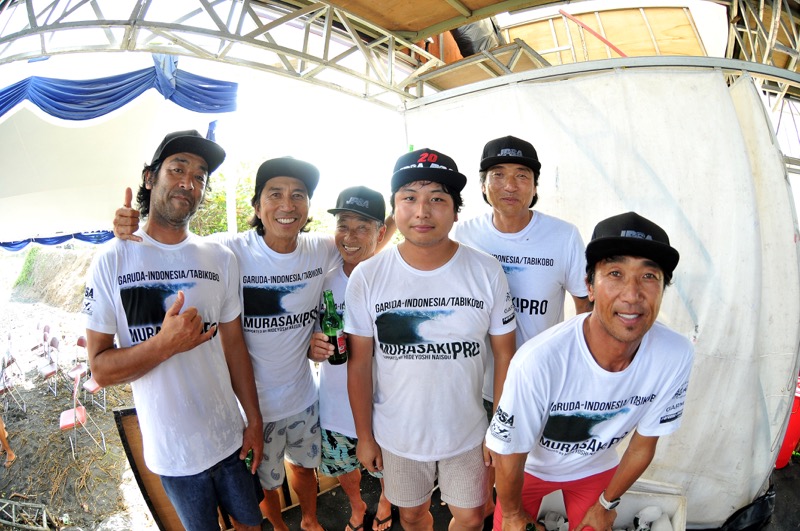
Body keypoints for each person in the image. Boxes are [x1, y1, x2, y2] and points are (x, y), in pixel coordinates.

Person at [113, 156, 345, 531]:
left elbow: (362, 241)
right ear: (257, 205)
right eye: (275, 194)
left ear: (307, 207)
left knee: (305, 469)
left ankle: (309, 520)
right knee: (265, 485)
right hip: (250, 410)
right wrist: (128, 228)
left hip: (304, 397)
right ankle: (280, 527)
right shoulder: (226, 250)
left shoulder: (321, 249)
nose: (287, 205)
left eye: (298, 195)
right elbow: (171, 243)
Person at [84, 130, 264, 531]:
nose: (188, 182)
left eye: (199, 176)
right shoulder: (112, 259)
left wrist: (253, 420)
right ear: (150, 178)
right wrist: (164, 345)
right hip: (174, 455)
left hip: (230, 439)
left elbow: (235, 347)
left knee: (252, 524)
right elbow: (101, 369)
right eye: (177, 169)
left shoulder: (220, 258)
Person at [487, 211, 694, 531]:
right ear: (590, 286)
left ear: (663, 289)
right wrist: (514, 517)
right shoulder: (538, 361)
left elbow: (643, 444)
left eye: (649, 276)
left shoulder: (675, 355)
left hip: (594, 469)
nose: (632, 294)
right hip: (529, 468)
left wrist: (607, 504)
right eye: (615, 273)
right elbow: (510, 453)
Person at [345, 148, 518, 531]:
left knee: (472, 517)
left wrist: (499, 430)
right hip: (397, 434)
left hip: (468, 431)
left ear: (456, 211)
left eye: (437, 199)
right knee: (410, 515)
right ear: (395, 209)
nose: (422, 211)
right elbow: (358, 363)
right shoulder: (368, 276)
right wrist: (364, 436)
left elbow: (506, 354)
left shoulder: (486, 270)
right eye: (409, 198)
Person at [453, 135, 592, 518]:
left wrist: (577, 373)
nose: (510, 185)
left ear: (534, 186)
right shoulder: (465, 234)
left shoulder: (563, 236)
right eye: (498, 174)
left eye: (522, 176)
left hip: (538, 385)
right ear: (483, 184)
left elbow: (585, 308)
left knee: (522, 479)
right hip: (475, 384)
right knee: (476, 483)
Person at [308, 186, 393, 531]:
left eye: (362, 227)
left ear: (380, 233)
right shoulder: (323, 281)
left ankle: (386, 501)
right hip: (335, 402)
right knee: (343, 466)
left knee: (388, 467)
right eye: (343, 225)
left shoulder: (394, 277)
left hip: (385, 405)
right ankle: (358, 507)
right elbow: (310, 334)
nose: (350, 236)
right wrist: (312, 348)